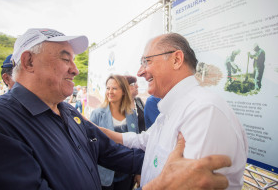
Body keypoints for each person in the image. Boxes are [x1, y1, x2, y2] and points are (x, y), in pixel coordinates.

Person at [0, 28, 232, 190]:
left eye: (74, 61)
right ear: (29, 61)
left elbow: (115, 152)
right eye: (65, 58)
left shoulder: (68, 114)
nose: (75, 70)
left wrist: (171, 167)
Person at [98, 33, 248, 189]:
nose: (140, 72)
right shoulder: (172, 109)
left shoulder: (203, 112)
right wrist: (94, 130)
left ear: (176, 60)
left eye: (146, 61)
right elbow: (144, 140)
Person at [90, 75, 138, 190]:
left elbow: (136, 144)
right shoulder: (97, 114)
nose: (110, 92)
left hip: (126, 173)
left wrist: (138, 171)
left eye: (114, 88)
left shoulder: (132, 114)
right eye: (108, 88)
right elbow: (90, 145)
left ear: (124, 92)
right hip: (104, 175)